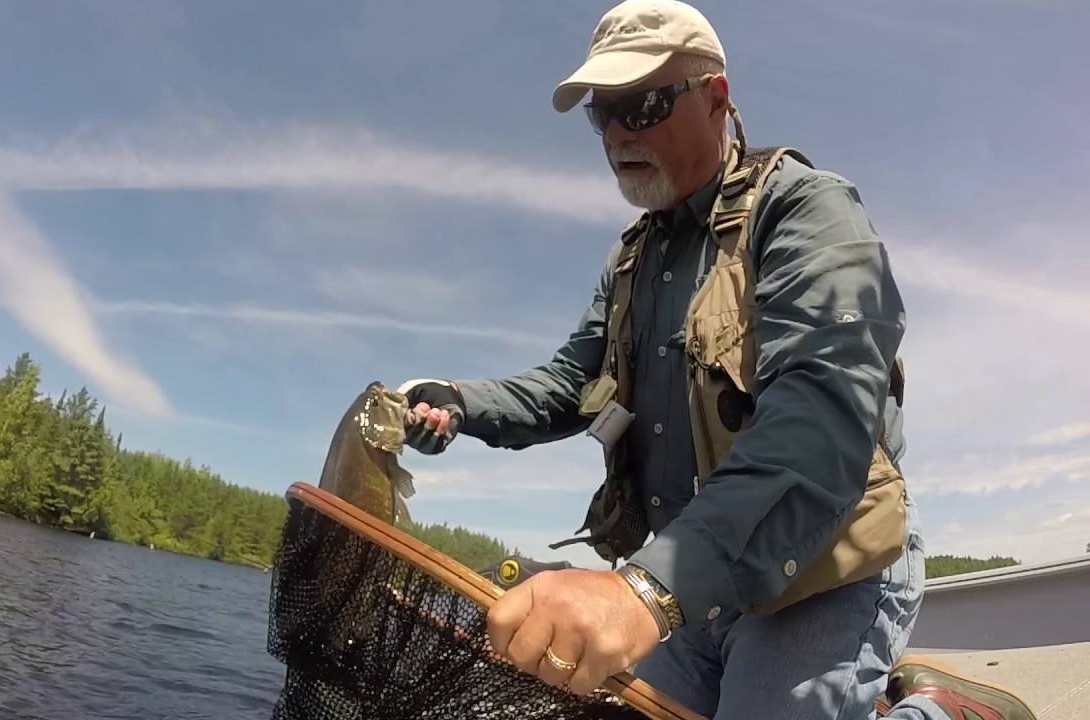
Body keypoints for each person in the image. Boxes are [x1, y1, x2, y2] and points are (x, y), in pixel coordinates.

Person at [395, 2, 1038, 719]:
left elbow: (821, 423)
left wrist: (643, 593)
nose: (616, 135)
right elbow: (567, 386)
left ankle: (946, 713)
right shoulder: (632, 261)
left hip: (826, 572)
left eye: (642, 104)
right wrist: (455, 398)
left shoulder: (805, 213)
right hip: (698, 589)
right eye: (602, 114)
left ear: (717, 99)